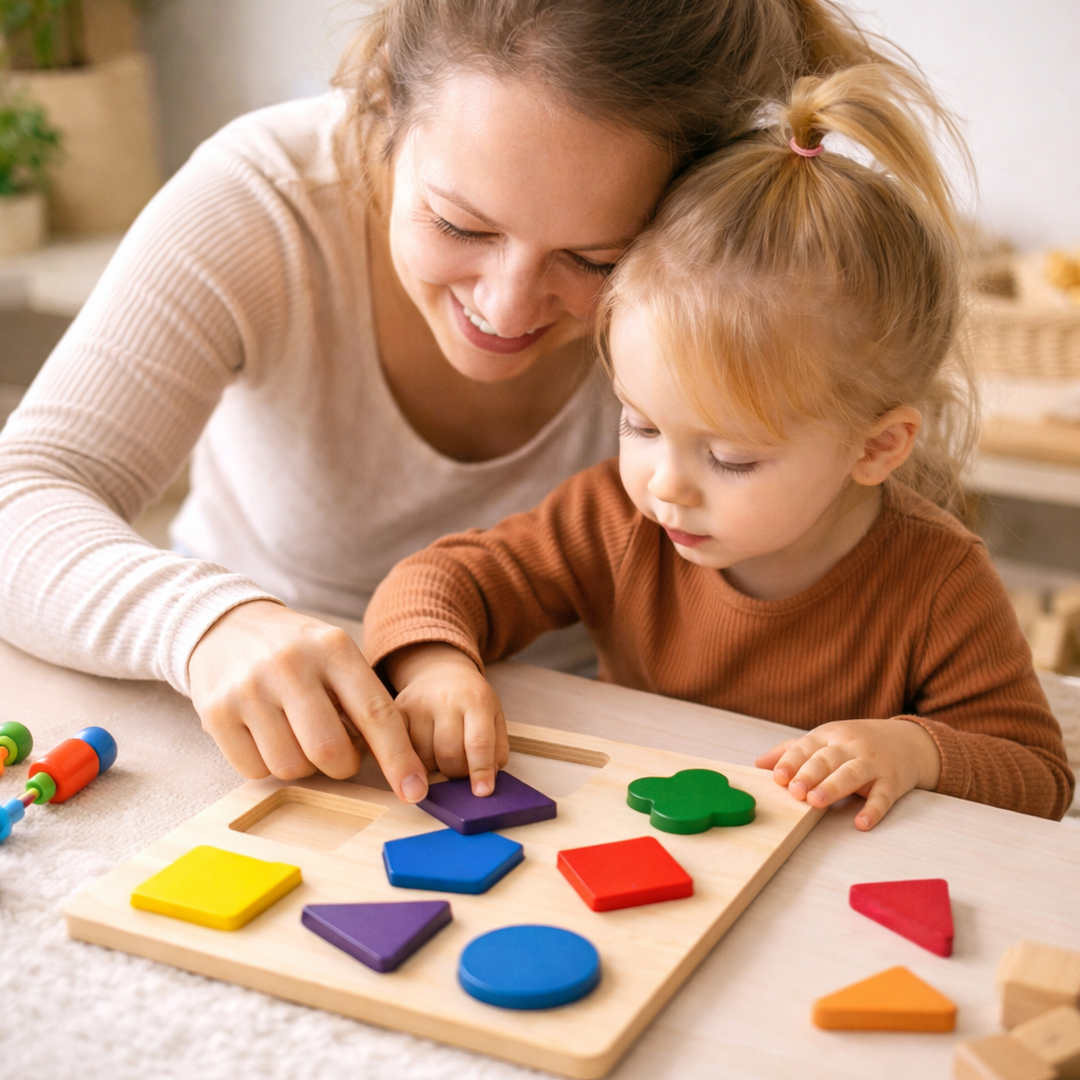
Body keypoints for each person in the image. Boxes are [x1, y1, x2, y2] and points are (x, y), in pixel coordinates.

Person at [0, 0, 892, 805]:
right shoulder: (265, 201)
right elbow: (23, 493)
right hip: (250, 735)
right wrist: (204, 622)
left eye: (595, 261)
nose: (505, 310)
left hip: (563, 747)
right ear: (385, 109)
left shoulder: (732, 284)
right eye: (461, 226)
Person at [362, 64, 1075, 826]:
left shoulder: (939, 584)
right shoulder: (615, 518)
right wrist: (436, 666)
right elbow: (436, 582)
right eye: (640, 424)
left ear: (878, 448)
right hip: (637, 843)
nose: (666, 484)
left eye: (731, 458)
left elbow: (1038, 776)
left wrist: (913, 750)